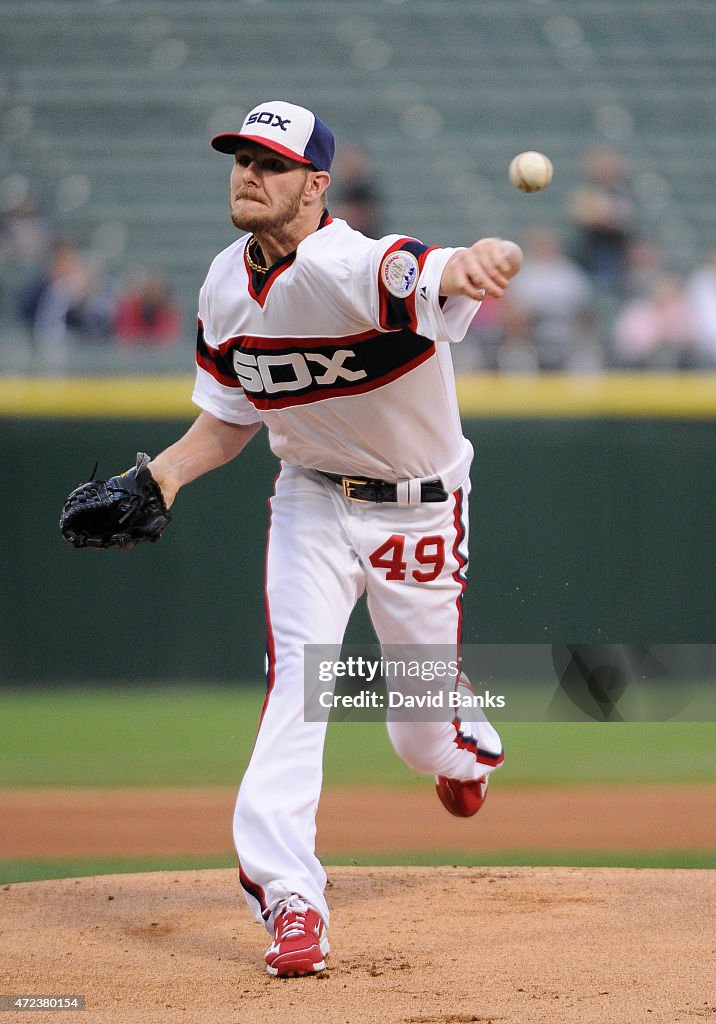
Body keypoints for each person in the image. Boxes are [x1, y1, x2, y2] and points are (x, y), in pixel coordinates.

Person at [146, 100, 519, 977]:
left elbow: (430, 271)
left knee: (420, 737)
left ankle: (462, 737)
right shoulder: (222, 285)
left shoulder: (353, 263)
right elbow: (228, 421)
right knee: (299, 687)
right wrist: (158, 477)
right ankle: (290, 899)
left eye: (269, 164)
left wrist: (479, 263)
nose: (247, 174)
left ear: (316, 185)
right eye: (240, 158)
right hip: (310, 500)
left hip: (420, 509)